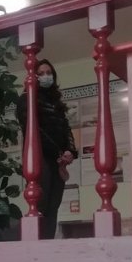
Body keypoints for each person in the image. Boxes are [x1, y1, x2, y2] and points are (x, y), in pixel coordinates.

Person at [16, 59, 78, 240]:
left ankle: (48, 243)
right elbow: (34, 130)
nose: (46, 76)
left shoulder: (56, 101)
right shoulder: (26, 99)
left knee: (54, 205)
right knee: (40, 203)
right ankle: (35, 244)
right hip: (39, 157)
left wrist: (69, 151)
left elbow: (65, 128)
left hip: (58, 160)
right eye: (41, 73)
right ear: (33, 76)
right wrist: (59, 151)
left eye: (49, 73)